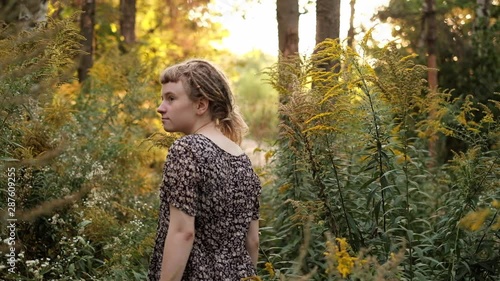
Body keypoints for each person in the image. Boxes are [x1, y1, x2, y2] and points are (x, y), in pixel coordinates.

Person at [148, 59, 261, 281]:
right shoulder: (241, 158)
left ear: (201, 105)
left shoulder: (186, 150)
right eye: (162, 98)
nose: (160, 107)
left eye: (171, 98)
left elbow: (183, 233)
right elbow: (253, 240)